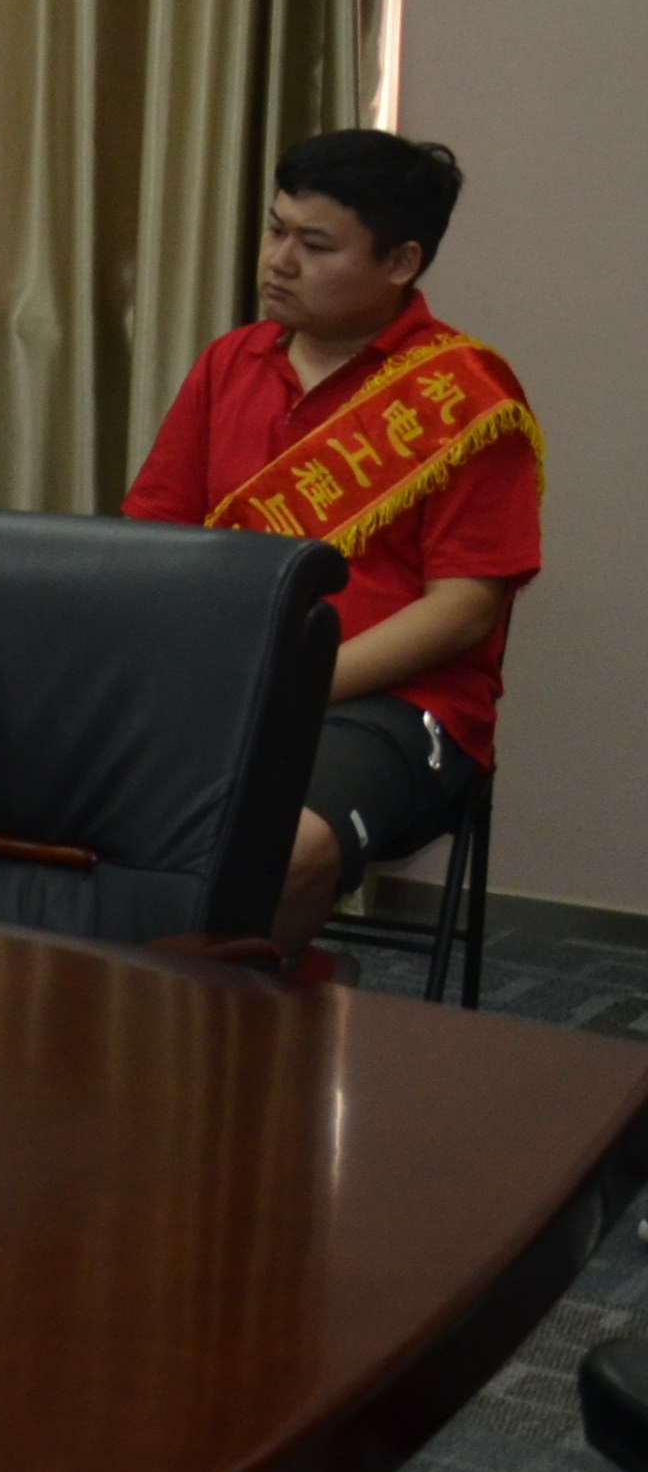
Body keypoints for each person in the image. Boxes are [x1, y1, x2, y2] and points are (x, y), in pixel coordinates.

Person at [122, 129, 538, 953]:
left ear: (401, 262)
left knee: (281, 853)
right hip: (222, 680)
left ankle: (232, 1022)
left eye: (315, 246)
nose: (278, 261)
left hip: (392, 705)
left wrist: (290, 685)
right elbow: (153, 544)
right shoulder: (230, 364)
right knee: (50, 800)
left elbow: (463, 612)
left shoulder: (463, 397)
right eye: (276, 230)